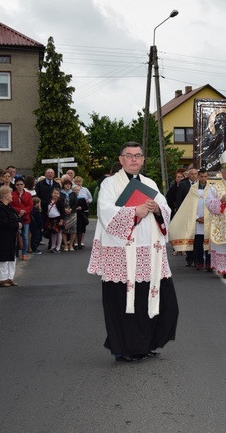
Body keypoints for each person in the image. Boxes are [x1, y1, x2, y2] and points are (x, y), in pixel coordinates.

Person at [87, 141, 178, 363]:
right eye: (129, 155)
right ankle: (126, 347)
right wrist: (134, 211)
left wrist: (158, 209)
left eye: (138, 155)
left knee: (162, 301)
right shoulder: (110, 184)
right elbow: (105, 212)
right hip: (121, 251)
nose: (134, 159)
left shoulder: (150, 183)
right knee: (124, 302)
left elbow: (165, 209)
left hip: (150, 251)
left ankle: (147, 343)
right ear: (121, 160)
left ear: (143, 159)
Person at [170, 168, 212, 270]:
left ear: (207, 177)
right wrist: (197, 217)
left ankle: (209, 263)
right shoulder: (193, 189)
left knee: (209, 242)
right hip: (196, 220)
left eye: (205, 176)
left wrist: (206, 217)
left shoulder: (212, 189)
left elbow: (213, 204)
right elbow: (189, 205)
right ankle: (199, 262)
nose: (203, 178)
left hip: (208, 220)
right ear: (198, 177)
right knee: (198, 243)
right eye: (201, 176)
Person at [0, 186, 21, 287]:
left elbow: (15, 218)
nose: (12, 196)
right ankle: (2, 279)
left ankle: (10, 278)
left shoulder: (9, 207)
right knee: (3, 258)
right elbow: (4, 223)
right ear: (5, 196)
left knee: (11, 257)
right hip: (2, 236)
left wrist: (17, 223)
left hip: (11, 236)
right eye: (10, 194)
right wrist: (17, 225)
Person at [11, 177, 33, 260]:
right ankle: (15, 252)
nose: (19, 186)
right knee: (16, 235)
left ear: (24, 185)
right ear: (15, 186)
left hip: (26, 217)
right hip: (16, 217)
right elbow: (11, 205)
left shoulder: (28, 194)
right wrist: (19, 211)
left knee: (25, 236)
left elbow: (30, 206)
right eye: (17, 185)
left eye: (21, 184)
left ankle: (24, 253)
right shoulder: (12, 194)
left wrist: (24, 211)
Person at [43, 188, 66, 253]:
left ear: (59, 195)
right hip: (50, 219)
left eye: (57, 193)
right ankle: (53, 246)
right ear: (52, 194)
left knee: (58, 233)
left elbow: (62, 211)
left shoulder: (60, 202)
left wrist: (61, 220)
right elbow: (45, 210)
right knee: (53, 233)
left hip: (58, 218)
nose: (56, 195)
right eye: (54, 193)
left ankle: (58, 247)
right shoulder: (48, 201)